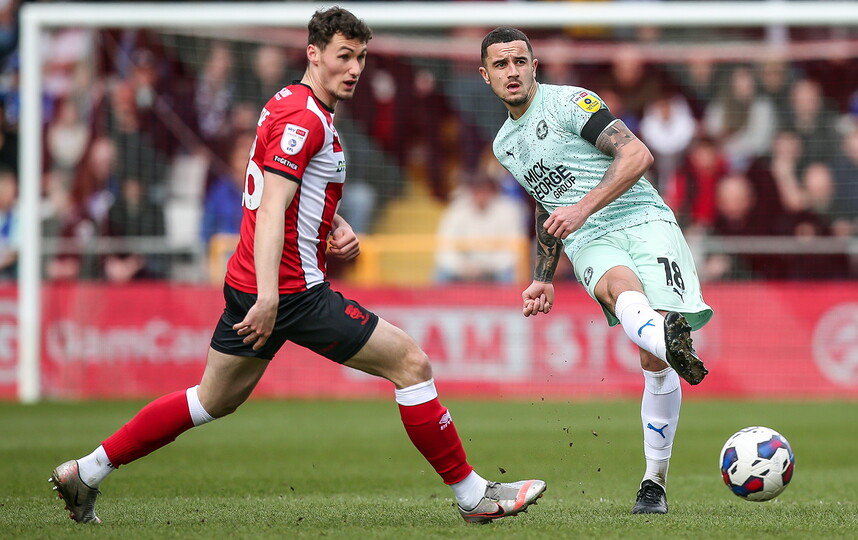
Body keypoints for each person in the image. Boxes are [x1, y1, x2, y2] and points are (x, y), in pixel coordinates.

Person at [49, 9, 545, 526]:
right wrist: (270, 297)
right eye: (343, 56)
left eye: (361, 58)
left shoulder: (288, 102)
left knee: (211, 399)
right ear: (314, 54)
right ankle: (473, 495)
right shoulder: (305, 119)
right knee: (411, 365)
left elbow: (287, 189)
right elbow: (270, 210)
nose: (354, 69)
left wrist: (333, 222)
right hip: (289, 290)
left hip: (250, 280)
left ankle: (86, 471)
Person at [478, 27, 712, 515]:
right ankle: (664, 338)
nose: (512, 71)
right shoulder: (504, 145)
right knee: (620, 293)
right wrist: (543, 274)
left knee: (654, 360)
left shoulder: (571, 103)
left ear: (535, 66)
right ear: (486, 76)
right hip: (587, 239)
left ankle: (655, 478)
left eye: (520, 61)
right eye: (501, 65)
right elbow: (547, 203)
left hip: (642, 217)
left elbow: (637, 155)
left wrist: (582, 208)